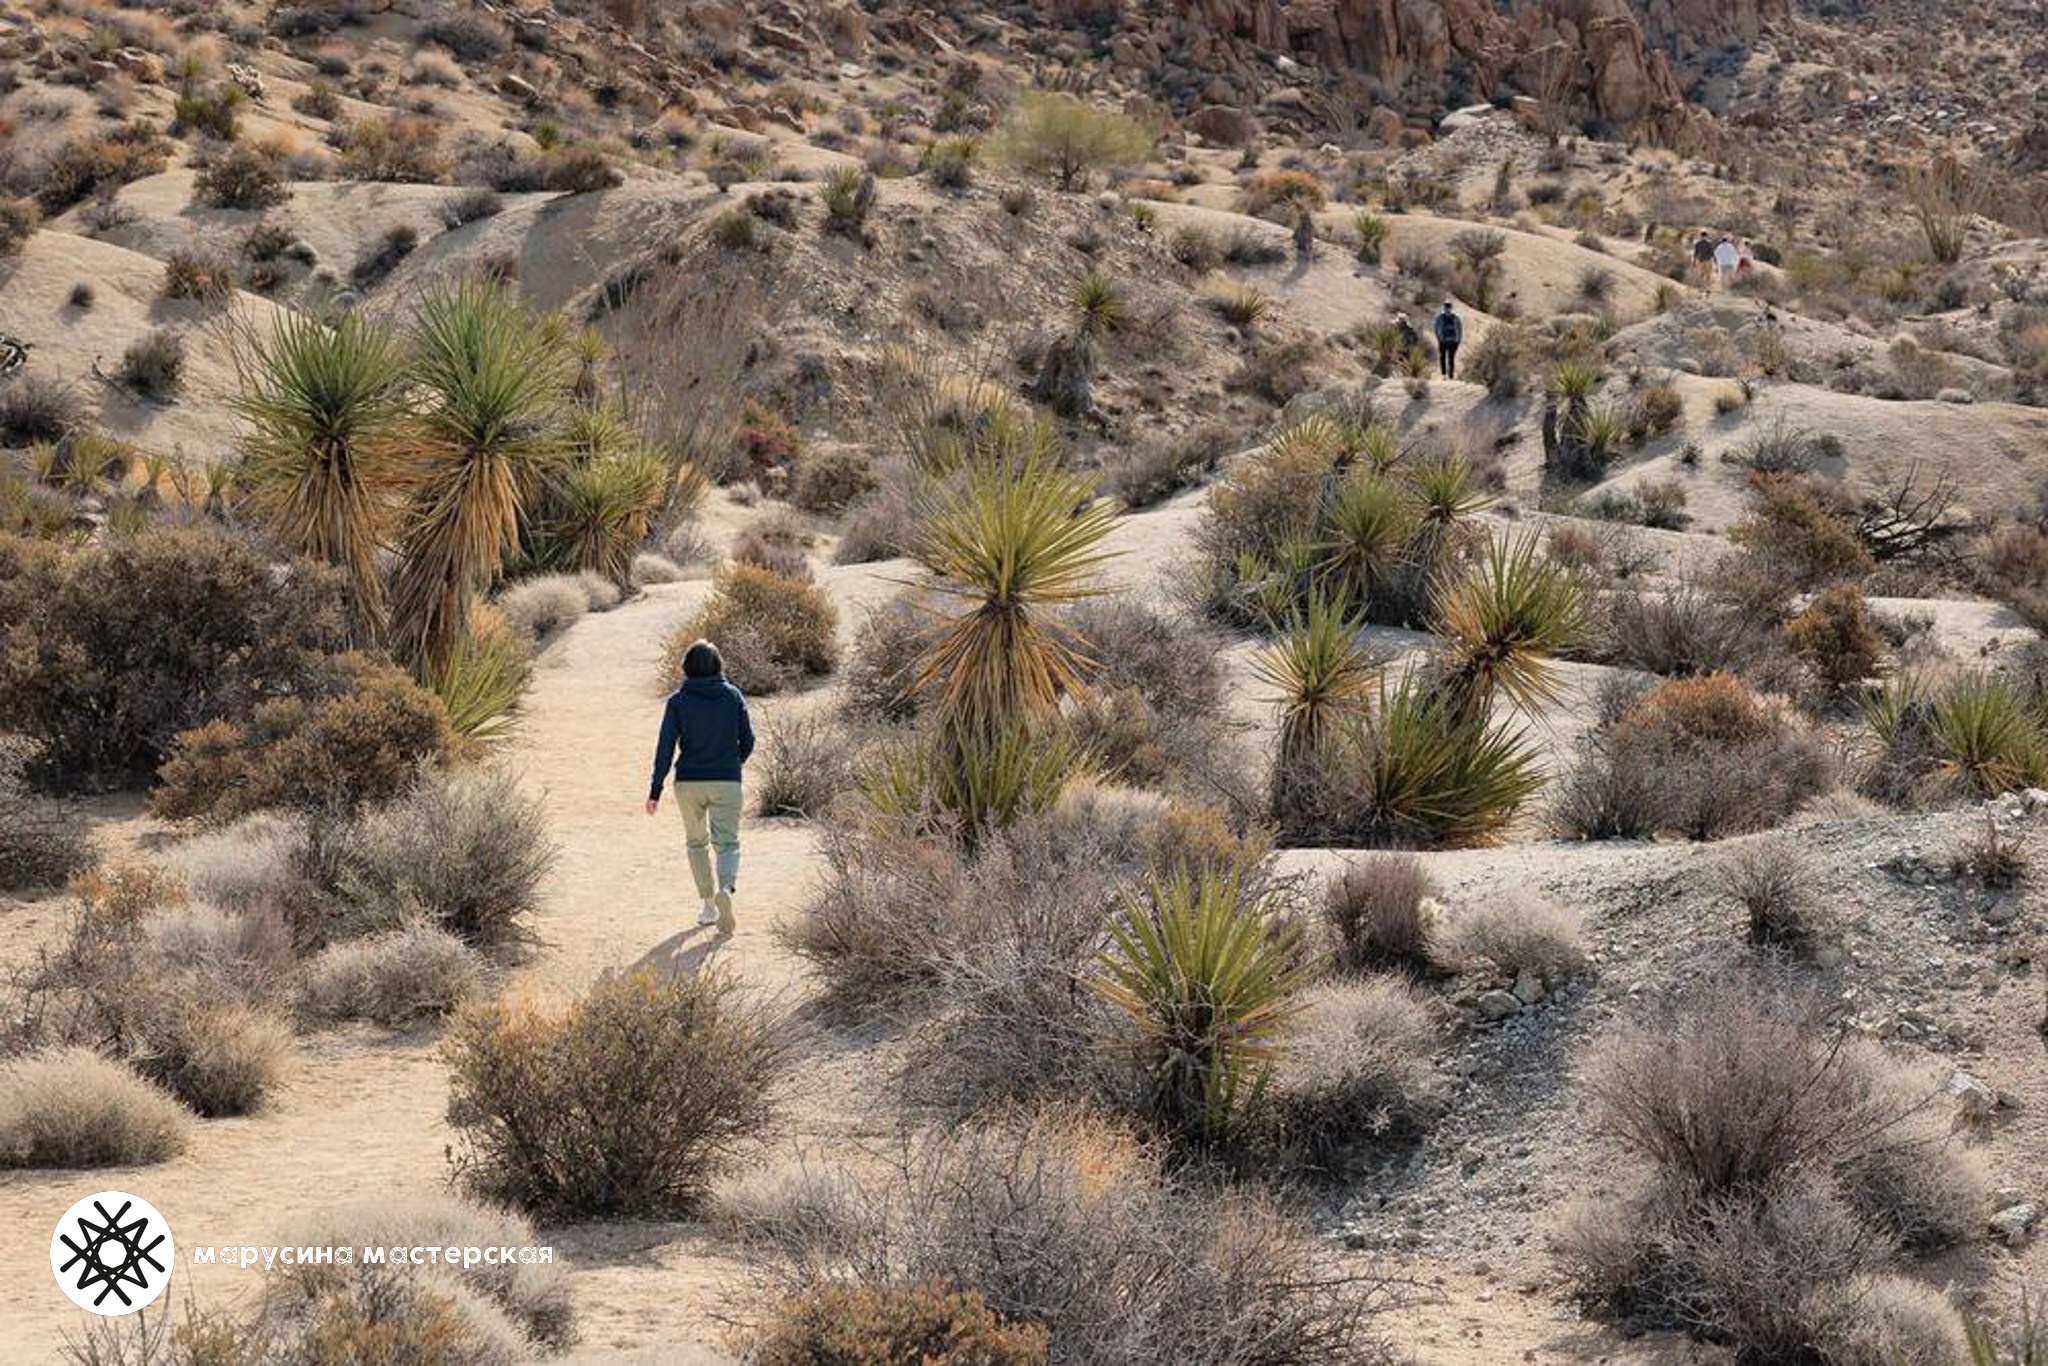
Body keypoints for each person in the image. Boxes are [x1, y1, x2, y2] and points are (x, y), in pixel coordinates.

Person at [645, 638, 754, 934]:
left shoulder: (678, 701)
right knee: (727, 843)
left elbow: (665, 748)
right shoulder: (733, 696)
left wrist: (655, 790)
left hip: (689, 782)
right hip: (727, 780)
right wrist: (732, 763)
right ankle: (727, 891)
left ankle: (708, 906)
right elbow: (749, 740)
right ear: (718, 664)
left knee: (696, 843)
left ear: (687, 667)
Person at [1433, 301, 1462, 379]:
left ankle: (1449, 374)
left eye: (1448, 308)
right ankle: (1445, 374)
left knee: (1449, 358)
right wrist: (1438, 338)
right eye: (1446, 308)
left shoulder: (1454, 318)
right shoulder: (1441, 318)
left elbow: (1459, 329)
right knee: (1445, 357)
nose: (1447, 309)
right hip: (1445, 340)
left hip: (1451, 341)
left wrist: (1458, 340)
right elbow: (1435, 329)